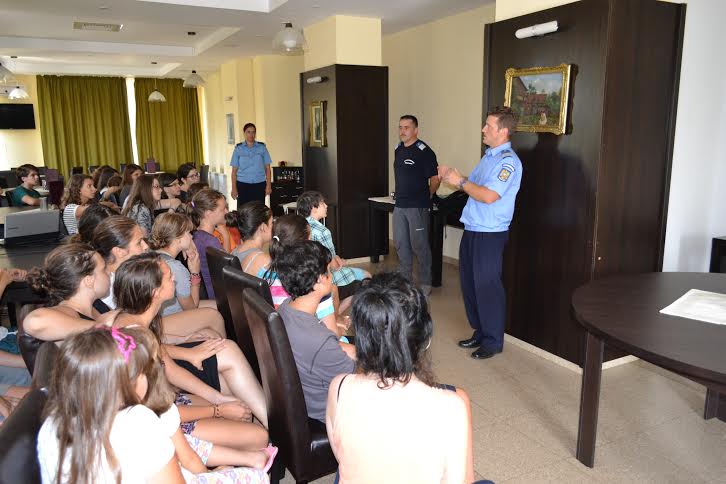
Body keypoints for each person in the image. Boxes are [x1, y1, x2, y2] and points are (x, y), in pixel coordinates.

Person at [326, 272, 474, 484]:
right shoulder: (453, 405)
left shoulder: (339, 387)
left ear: (362, 339)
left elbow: (343, 457)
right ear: (425, 339)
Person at [111, 252, 268, 428]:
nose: (174, 279)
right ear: (155, 292)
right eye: (169, 277)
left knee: (218, 356)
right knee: (227, 349)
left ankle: (257, 423)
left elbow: (159, 347)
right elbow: (169, 369)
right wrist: (217, 403)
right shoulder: (135, 331)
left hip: (159, 380)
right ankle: (268, 423)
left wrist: (185, 338)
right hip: (157, 392)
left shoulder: (134, 316)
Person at [37, 327, 185, 483]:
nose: (144, 377)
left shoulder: (50, 426)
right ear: (119, 387)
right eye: (141, 372)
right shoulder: (138, 421)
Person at [438, 106, 523, 360]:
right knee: (470, 284)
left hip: (490, 233)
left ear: (503, 131)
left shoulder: (508, 162)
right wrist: (454, 177)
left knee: (487, 287)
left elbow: (488, 195)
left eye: (489, 126)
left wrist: (460, 182)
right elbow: (473, 186)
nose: (483, 129)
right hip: (473, 228)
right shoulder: (489, 157)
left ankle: (493, 340)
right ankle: (480, 331)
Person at [93, 215, 226, 341]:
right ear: (119, 251)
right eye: (139, 243)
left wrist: (184, 245)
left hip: (151, 324)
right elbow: (134, 334)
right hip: (148, 329)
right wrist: (195, 274)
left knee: (216, 314)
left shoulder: (128, 271)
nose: (146, 246)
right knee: (213, 316)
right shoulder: (108, 286)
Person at [275, 240, 355, 422]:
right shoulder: (318, 339)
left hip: (307, 397)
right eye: (328, 271)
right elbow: (354, 377)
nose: (331, 276)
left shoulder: (286, 308)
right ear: (319, 280)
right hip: (329, 411)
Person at [393, 115, 440, 295]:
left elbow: (435, 179)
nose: (402, 131)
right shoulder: (398, 149)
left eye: (407, 127)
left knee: (420, 246)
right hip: (400, 205)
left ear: (415, 130)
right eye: (400, 127)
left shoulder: (424, 151)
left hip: (417, 206)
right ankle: (405, 283)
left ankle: (425, 283)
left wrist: (427, 195)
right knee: (400, 244)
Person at [296, 191, 371, 301]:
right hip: (325, 277)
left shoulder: (298, 226)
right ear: (314, 208)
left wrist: (335, 258)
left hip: (305, 276)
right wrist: (341, 263)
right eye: (322, 203)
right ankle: (341, 311)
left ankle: (336, 310)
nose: (326, 206)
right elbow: (333, 266)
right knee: (367, 276)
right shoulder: (322, 231)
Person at [149, 212, 217, 315]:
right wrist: (195, 273)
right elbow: (192, 308)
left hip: (159, 314)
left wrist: (185, 247)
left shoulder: (151, 255)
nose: (191, 237)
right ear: (178, 239)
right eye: (188, 233)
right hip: (172, 316)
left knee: (216, 305)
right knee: (215, 314)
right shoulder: (176, 268)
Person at [189, 189, 230, 298]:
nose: (226, 212)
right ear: (208, 213)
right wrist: (226, 236)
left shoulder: (196, 234)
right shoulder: (210, 241)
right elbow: (227, 269)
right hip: (215, 295)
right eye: (223, 209)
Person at [230, 123, 272, 207]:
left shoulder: (262, 148)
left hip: (259, 185)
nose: (251, 134)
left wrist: (268, 186)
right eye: (248, 132)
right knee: (243, 210)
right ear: (244, 133)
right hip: (243, 185)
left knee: (258, 210)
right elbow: (234, 171)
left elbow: (267, 168)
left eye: (253, 132)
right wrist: (234, 188)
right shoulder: (238, 149)